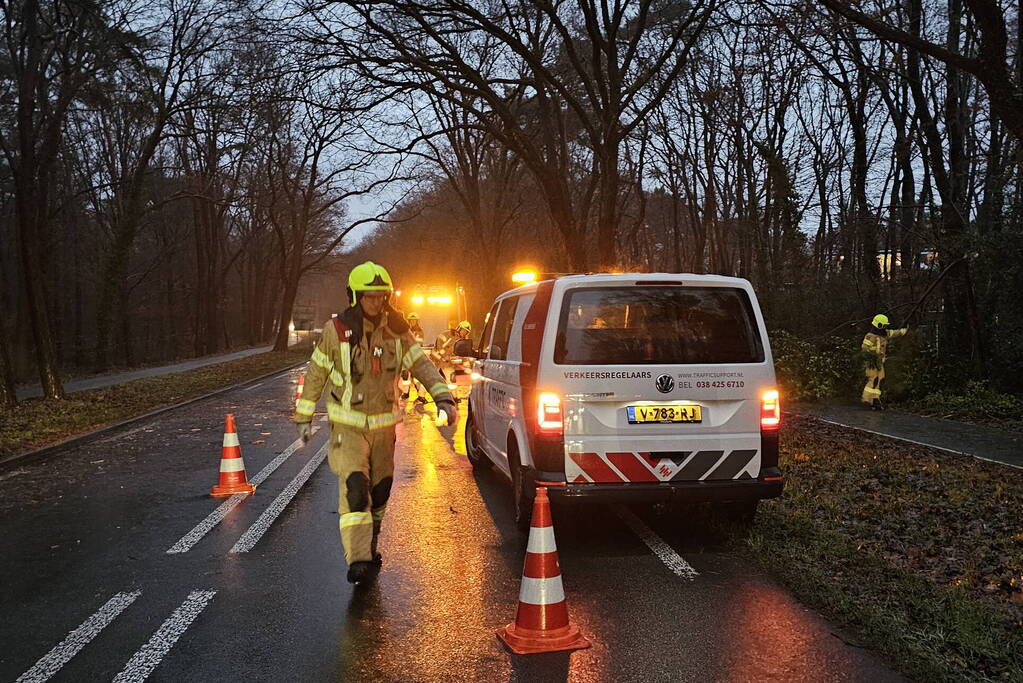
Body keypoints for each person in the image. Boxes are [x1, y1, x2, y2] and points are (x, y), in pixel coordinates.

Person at [294, 261, 456, 585]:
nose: (376, 302)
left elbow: (421, 364)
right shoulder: (336, 331)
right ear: (356, 296)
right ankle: (357, 559)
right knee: (356, 488)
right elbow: (316, 372)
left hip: (384, 429)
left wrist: (444, 397)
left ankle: (371, 542)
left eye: (381, 296)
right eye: (369, 296)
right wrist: (304, 416)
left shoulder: (397, 331)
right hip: (348, 428)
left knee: (380, 491)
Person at [861, 314, 908, 411]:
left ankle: (875, 399)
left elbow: (895, 333)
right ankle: (867, 399)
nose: (884, 328)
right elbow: (865, 349)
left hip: (879, 362)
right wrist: (870, 358)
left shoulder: (885, 334)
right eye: (883, 325)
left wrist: (905, 330)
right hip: (872, 362)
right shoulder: (870, 336)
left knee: (880, 379)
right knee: (873, 379)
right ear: (877, 325)